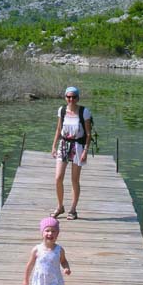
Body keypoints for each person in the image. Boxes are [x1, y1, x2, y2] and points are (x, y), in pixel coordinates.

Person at [50, 86, 92, 220]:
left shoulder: (84, 112)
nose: (71, 99)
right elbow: (58, 129)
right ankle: (60, 206)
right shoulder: (62, 110)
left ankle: (73, 209)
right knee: (58, 178)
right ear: (65, 97)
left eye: (74, 97)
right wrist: (53, 146)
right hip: (64, 145)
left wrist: (85, 150)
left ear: (78, 98)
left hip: (78, 146)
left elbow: (89, 133)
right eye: (68, 97)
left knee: (74, 180)